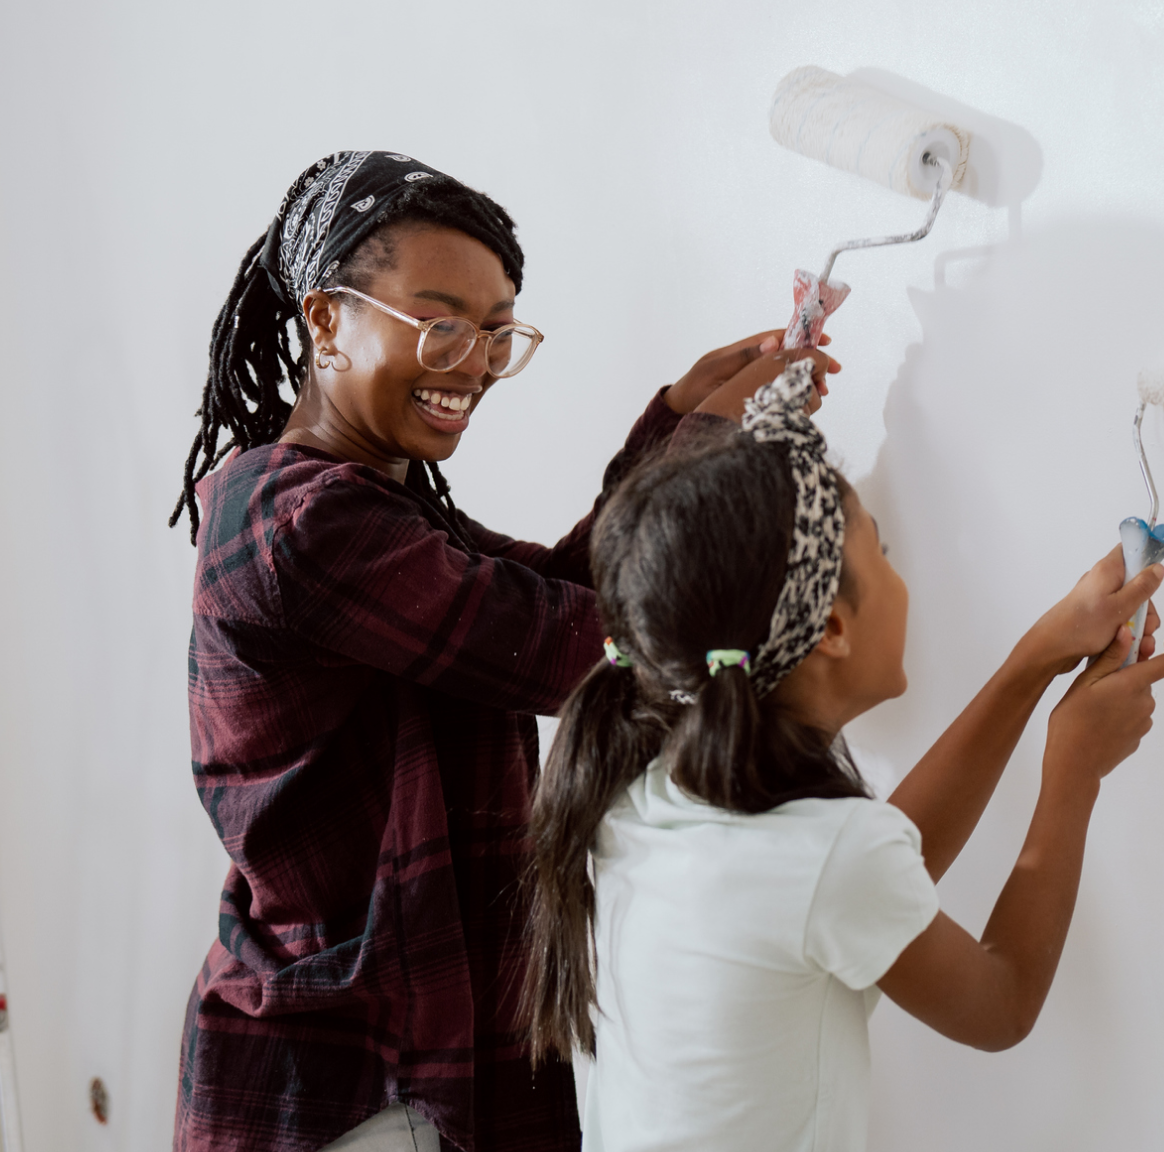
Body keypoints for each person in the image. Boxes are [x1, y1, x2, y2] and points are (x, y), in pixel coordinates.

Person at [171, 150, 832, 1152]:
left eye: (494, 331)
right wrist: (698, 445)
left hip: (419, 1050)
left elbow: (561, 592)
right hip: (346, 1078)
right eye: (441, 323)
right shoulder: (301, 524)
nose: (475, 362)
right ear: (324, 321)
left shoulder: (368, 506)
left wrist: (677, 424)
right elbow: (573, 646)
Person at [522, 362, 1164, 1150]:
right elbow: (1000, 1003)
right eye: (884, 552)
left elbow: (858, 876)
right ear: (834, 628)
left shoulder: (649, 780)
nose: (903, 577)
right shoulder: (821, 856)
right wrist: (1072, 772)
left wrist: (1032, 663)